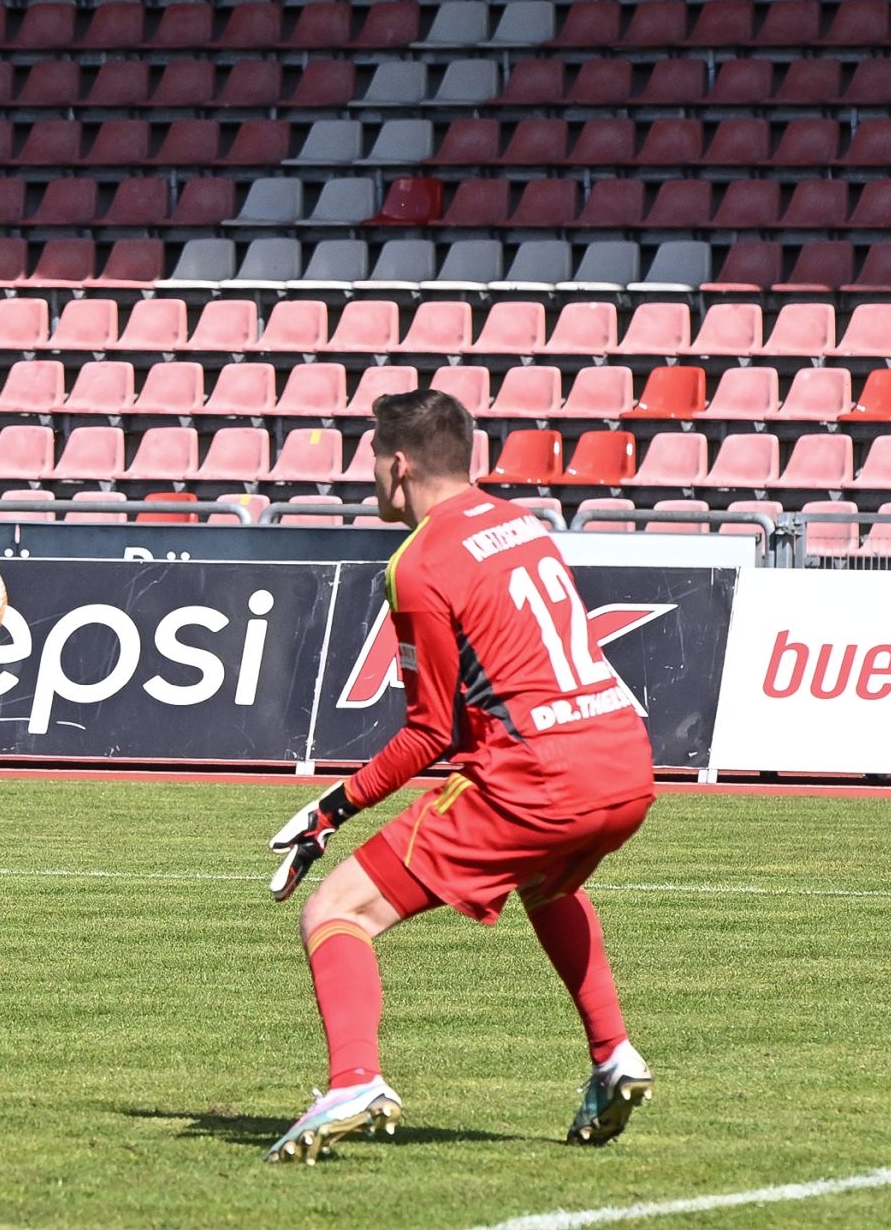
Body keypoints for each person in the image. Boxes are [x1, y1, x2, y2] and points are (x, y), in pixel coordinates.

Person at [263, 389, 657, 1164]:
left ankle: (354, 1078)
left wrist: (330, 808)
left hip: (538, 774)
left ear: (398, 464)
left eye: (372, 458)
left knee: (335, 911)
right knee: (548, 881)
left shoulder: (420, 561)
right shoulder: (522, 523)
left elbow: (429, 732)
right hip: (624, 756)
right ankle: (614, 1054)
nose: (369, 475)